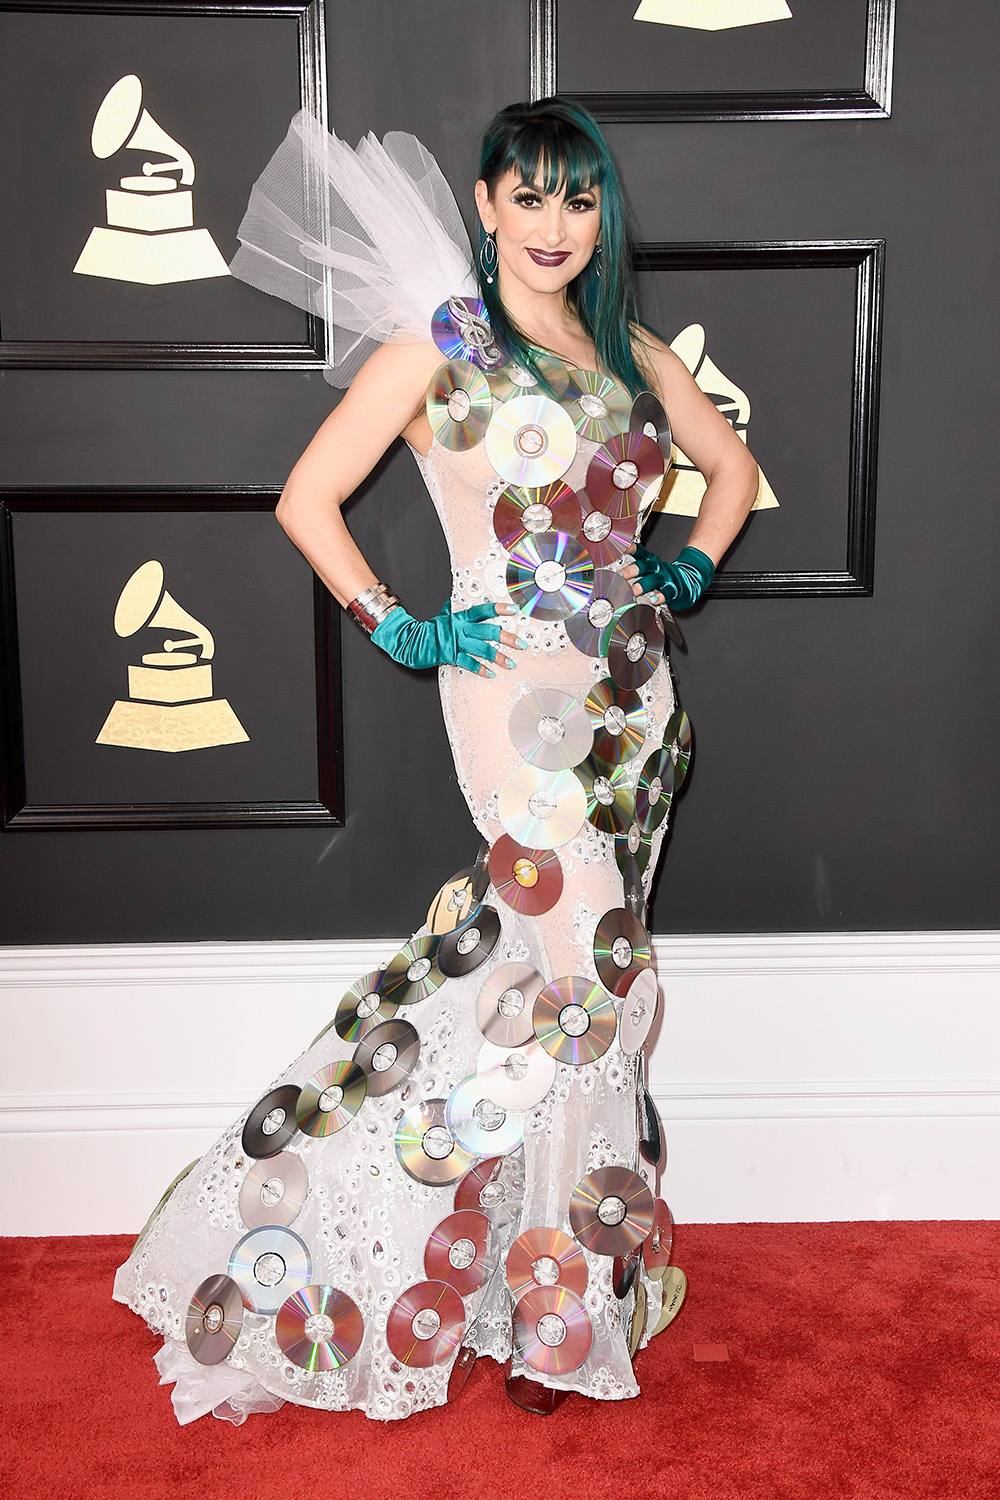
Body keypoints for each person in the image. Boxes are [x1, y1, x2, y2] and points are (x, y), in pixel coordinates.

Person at [113, 97, 759, 1425]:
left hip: (635, 710)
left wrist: (687, 561)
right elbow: (308, 498)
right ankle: (554, 1320)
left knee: (559, 992)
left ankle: (522, 1274)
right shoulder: (438, 346)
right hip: (507, 703)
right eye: (529, 197)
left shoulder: (628, 351)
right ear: (483, 206)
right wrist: (399, 623)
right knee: (595, 991)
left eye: (578, 201)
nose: (555, 226)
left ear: (601, 217)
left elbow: (730, 470)